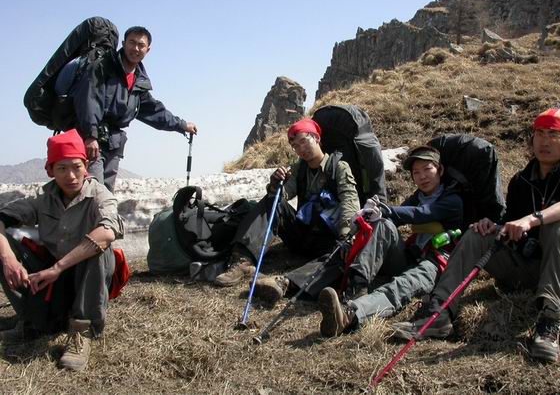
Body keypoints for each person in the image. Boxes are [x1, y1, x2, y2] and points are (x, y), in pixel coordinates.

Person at [393, 108, 560, 363]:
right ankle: (439, 313)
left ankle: (549, 322)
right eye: (540, 134)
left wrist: (531, 219)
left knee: (558, 226)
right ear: (532, 139)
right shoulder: (521, 182)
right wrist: (494, 226)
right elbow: (511, 226)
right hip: (531, 266)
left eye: (553, 135)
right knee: (476, 233)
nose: (545, 141)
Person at [0, 129, 124, 371]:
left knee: (98, 246)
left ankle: (82, 330)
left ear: (86, 166)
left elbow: (108, 232)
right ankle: (31, 321)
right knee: (7, 240)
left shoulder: (99, 195)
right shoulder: (42, 197)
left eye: (76, 167)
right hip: (53, 282)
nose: (71, 176)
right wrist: (9, 260)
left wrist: (57, 268)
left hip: (86, 279)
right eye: (62, 168)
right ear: (50, 171)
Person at [317, 145, 463, 337]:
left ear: (440, 170)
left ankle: (349, 315)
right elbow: (393, 219)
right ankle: (358, 285)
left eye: (427, 169)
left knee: (403, 284)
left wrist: (386, 210)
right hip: (411, 256)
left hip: (436, 262)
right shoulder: (417, 197)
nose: (422, 176)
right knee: (384, 224)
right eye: (416, 172)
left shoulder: (453, 200)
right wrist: (368, 217)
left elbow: (422, 213)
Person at [214, 118, 361, 294]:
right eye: (295, 146)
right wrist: (275, 185)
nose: (301, 149)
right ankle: (243, 259)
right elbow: (283, 195)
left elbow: (349, 201)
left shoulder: (339, 167)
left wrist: (346, 236)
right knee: (272, 199)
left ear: (316, 138)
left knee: (343, 255)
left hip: (328, 241)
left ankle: (287, 283)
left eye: (303, 141)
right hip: (302, 234)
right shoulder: (299, 169)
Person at [71, 26, 197, 192]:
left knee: (106, 194)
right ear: (123, 43)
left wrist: (181, 125)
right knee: (94, 193)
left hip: (114, 143)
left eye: (141, 45)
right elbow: (88, 99)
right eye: (132, 42)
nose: (136, 48)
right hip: (91, 142)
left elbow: (154, 111)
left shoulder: (139, 81)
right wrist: (90, 135)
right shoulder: (102, 66)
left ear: (148, 50)